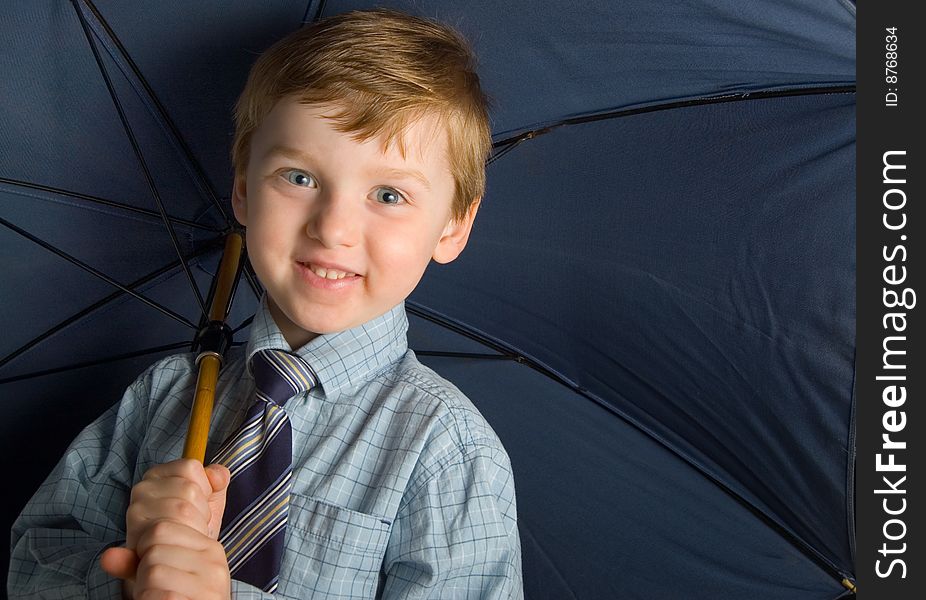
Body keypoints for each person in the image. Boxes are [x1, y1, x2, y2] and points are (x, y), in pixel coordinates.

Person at [9, 9, 523, 599]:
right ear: (245, 189)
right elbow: (34, 560)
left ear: (453, 226)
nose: (333, 229)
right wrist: (126, 580)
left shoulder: (446, 451)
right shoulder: (161, 398)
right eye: (299, 177)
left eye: (388, 194)